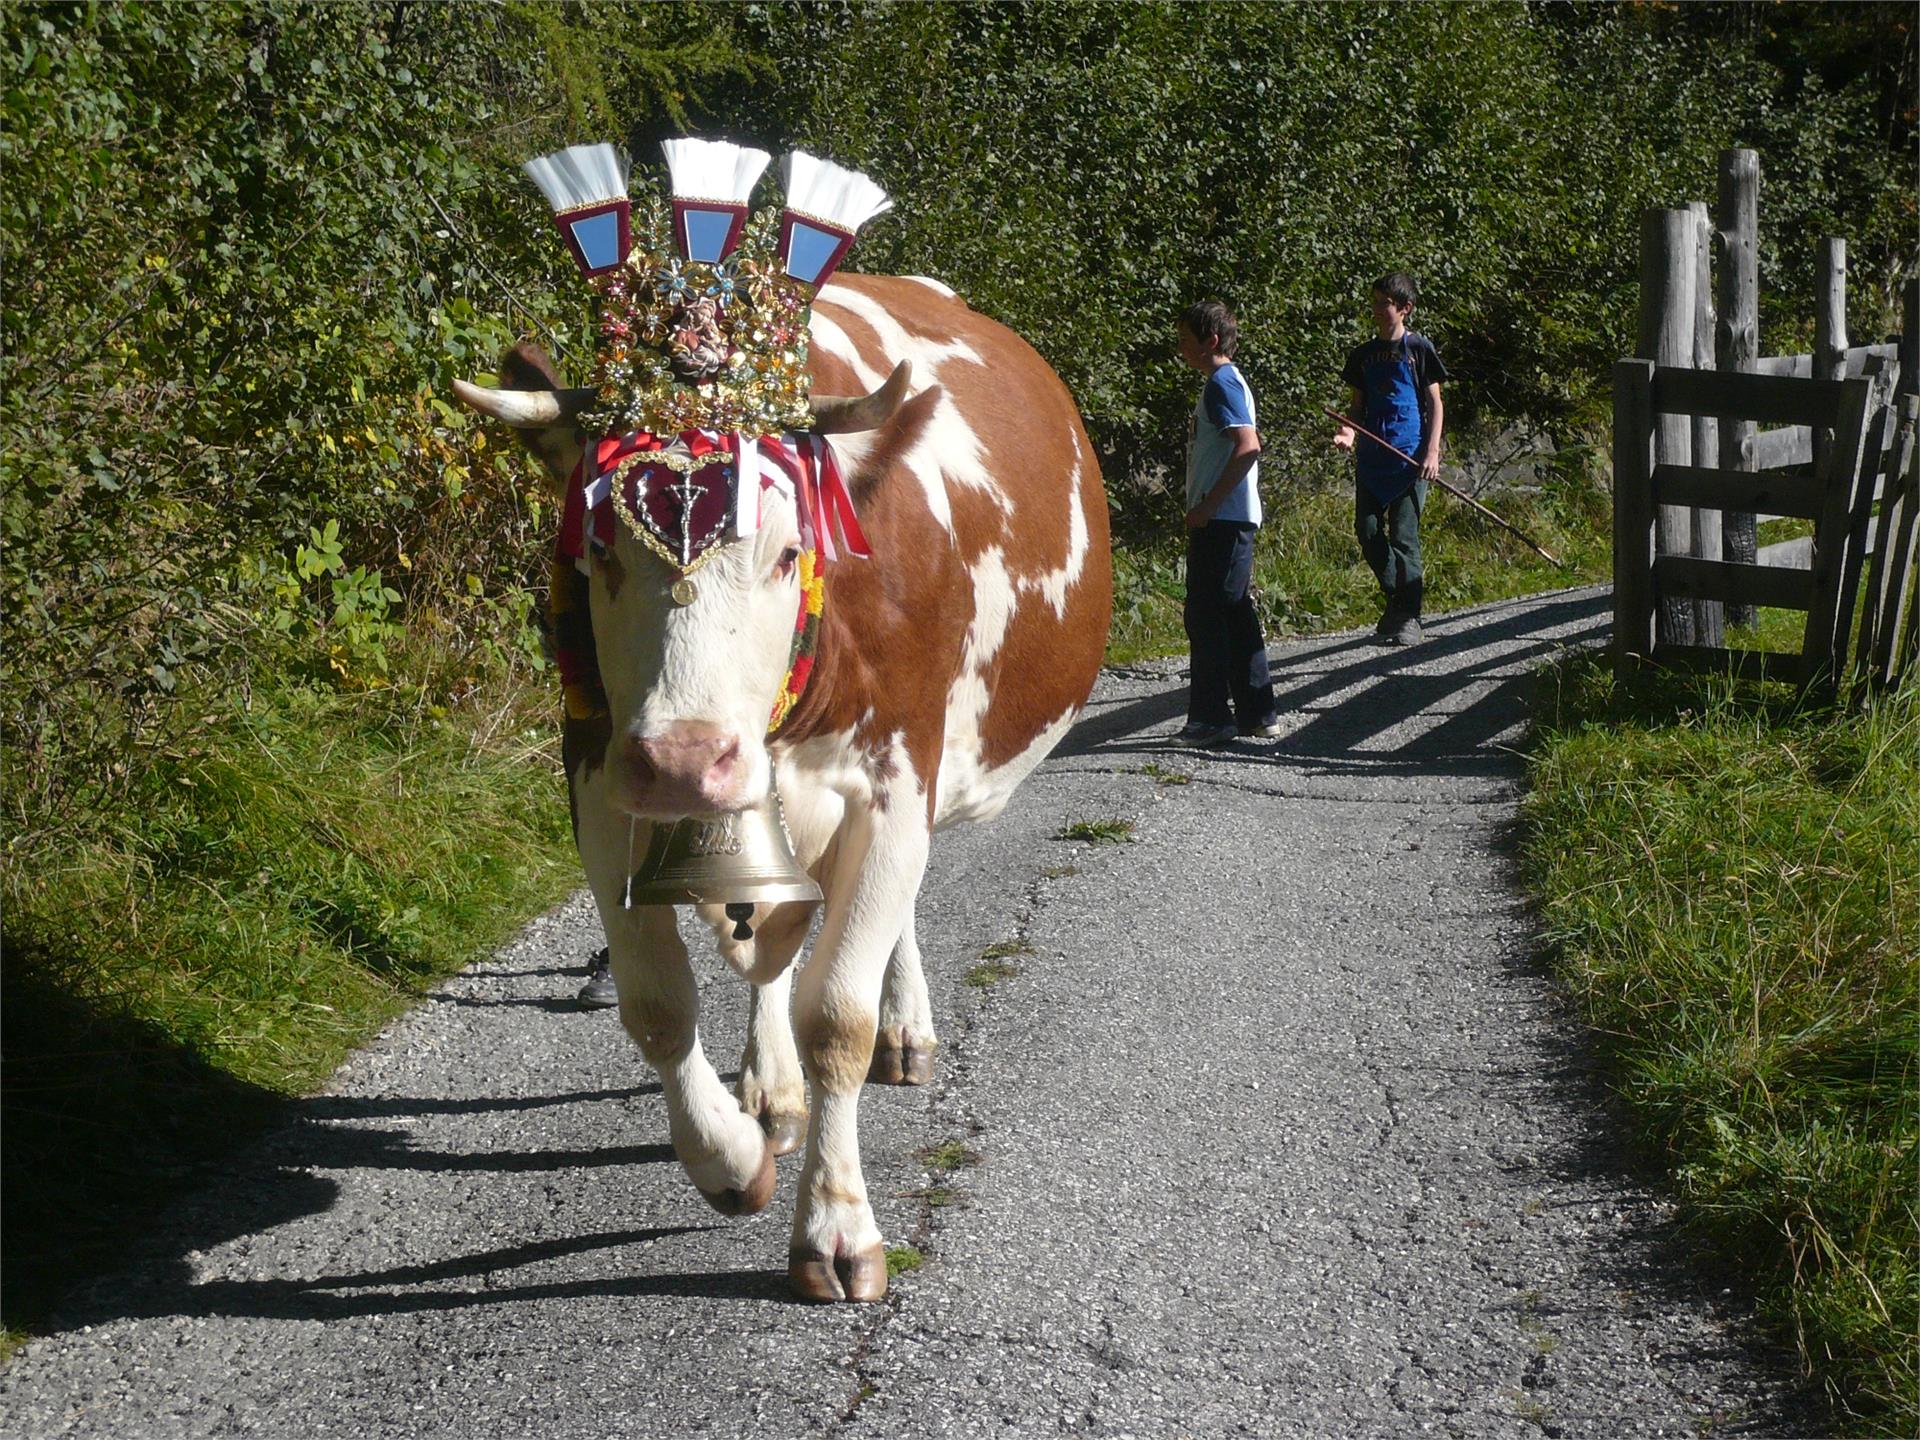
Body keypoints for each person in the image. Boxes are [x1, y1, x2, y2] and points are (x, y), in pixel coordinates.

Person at [1172, 300, 1281, 748]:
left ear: (1210, 341)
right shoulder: (1225, 382)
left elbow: (1248, 446)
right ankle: (1258, 714)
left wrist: (1208, 506)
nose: (1180, 348)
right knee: (1234, 614)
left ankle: (1211, 718)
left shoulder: (1222, 383)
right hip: (1231, 520)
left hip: (1223, 521)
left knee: (1207, 617)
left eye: (1185, 340)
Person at [1333, 272, 1448, 646]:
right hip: (1372, 461)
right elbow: (1356, 407)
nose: (1378, 309)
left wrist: (1432, 452)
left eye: (1385, 303)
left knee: (1404, 537)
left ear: (1405, 308)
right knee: (1367, 532)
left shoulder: (1419, 350)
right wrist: (1348, 432)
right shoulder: (1362, 356)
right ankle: (1397, 600)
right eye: (1375, 302)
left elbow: (1434, 403)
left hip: (1410, 461)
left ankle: (1409, 615)